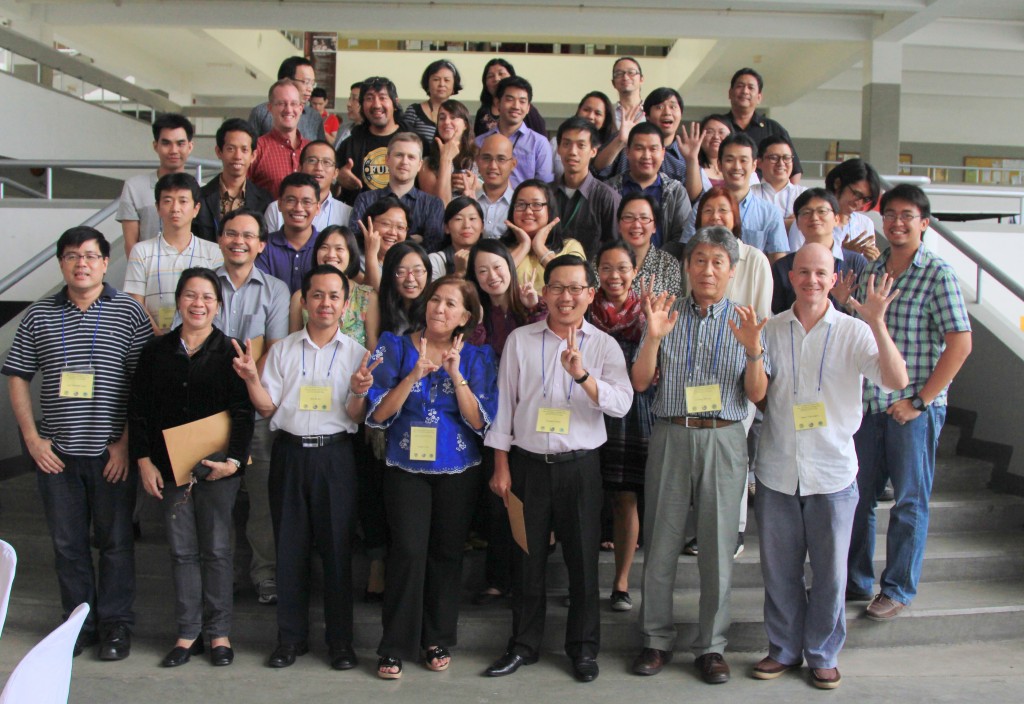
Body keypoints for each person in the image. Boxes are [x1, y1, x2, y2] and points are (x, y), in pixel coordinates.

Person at [746, 243, 908, 690]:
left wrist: (876, 321)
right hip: (778, 470)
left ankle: (822, 652)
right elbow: (757, 395)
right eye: (803, 272)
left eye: (821, 273)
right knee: (779, 571)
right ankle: (782, 648)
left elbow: (897, 380)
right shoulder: (771, 329)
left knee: (831, 573)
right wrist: (753, 352)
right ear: (790, 276)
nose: (812, 281)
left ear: (834, 277)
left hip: (833, 472)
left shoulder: (855, 331)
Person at [3, 227, 152, 660]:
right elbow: (17, 377)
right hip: (57, 456)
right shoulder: (38, 315)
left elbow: (142, 385)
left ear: (106, 263)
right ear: (62, 263)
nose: (81, 263)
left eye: (90, 256)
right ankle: (78, 624)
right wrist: (32, 439)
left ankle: (116, 627)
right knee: (68, 545)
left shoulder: (128, 312)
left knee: (116, 543)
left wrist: (125, 444)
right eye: (72, 256)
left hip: (110, 455)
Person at [484, 255, 633, 683]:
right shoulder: (521, 340)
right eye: (557, 288)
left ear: (590, 294)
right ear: (545, 292)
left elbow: (621, 404)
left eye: (575, 289)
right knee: (526, 560)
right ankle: (523, 645)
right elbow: (504, 406)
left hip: (581, 468)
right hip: (528, 466)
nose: (566, 297)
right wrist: (501, 464)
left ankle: (583, 649)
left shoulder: (603, 346)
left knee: (583, 562)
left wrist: (582, 375)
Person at [629, 226, 767, 685]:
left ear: (731, 270)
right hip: (672, 433)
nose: (707, 269)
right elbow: (640, 383)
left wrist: (752, 351)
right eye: (699, 260)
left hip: (725, 439)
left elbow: (757, 394)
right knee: (662, 541)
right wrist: (651, 338)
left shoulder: (746, 321)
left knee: (717, 547)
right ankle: (655, 639)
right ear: (687, 267)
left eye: (717, 262)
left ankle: (711, 646)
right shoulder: (664, 314)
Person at [232, 264, 377, 671]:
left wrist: (360, 392)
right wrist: (249, 378)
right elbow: (267, 407)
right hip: (290, 456)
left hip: (335, 458)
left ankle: (341, 643)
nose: (325, 303)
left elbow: (354, 415)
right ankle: (289, 639)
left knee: (336, 552)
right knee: (290, 551)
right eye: (317, 295)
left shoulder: (357, 354)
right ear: (304, 300)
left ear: (346, 305)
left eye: (334, 296)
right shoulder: (283, 350)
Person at [844, 184, 972, 620]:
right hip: (869, 406)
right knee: (858, 498)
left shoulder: (938, 273)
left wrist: (920, 400)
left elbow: (960, 344)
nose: (897, 222)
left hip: (914, 410)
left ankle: (897, 587)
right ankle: (856, 580)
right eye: (891, 214)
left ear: (924, 223)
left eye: (907, 215)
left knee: (909, 501)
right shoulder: (872, 270)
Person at [367, 276, 498, 679]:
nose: (440, 309)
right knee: (407, 552)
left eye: (451, 304)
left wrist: (455, 374)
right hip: (405, 467)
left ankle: (435, 638)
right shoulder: (394, 345)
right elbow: (379, 414)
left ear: (466, 316)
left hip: (458, 469)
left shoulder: (478, 356)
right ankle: (393, 645)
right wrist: (413, 376)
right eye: (435, 300)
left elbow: (480, 421)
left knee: (446, 555)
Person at [129, 267, 254, 668]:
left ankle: (219, 633)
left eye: (207, 298)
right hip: (169, 469)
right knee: (182, 551)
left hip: (216, 470)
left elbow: (243, 412)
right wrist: (144, 459)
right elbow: (141, 410)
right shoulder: (155, 351)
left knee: (217, 550)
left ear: (218, 305)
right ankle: (187, 633)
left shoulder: (231, 349)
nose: (198, 304)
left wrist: (232, 462)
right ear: (178, 301)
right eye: (190, 296)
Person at [210, 208, 290, 606]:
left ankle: (265, 575)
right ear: (220, 239)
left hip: (257, 412)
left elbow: (273, 351)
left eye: (247, 235)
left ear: (261, 244)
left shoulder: (275, 290)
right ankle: (217, 577)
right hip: (207, 413)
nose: (238, 241)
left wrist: (248, 387)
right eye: (230, 233)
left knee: (261, 500)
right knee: (214, 499)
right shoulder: (203, 284)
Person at [465, 239, 542, 606]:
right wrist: (477, 325)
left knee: (527, 497)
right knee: (496, 497)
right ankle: (497, 577)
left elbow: (549, 347)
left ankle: (526, 578)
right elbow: (470, 357)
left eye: (497, 267)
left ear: (510, 267)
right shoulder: (474, 312)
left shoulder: (529, 306)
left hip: (529, 416)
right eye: (482, 270)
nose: (492, 276)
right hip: (486, 416)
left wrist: (533, 309)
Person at [590, 242, 660, 613]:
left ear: (634, 272)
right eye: (606, 267)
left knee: (626, 497)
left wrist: (652, 330)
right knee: (585, 497)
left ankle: (621, 582)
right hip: (586, 408)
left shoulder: (647, 312)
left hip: (633, 412)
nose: (614, 276)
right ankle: (583, 578)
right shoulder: (585, 308)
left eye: (622, 268)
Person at [123, 173, 223, 335]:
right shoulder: (142, 251)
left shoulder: (214, 252)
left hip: (203, 346)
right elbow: (136, 304)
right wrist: (161, 341)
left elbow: (218, 303)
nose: (175, 208)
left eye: (183, 201)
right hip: (154, 344)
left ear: (196, 209)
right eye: (168, 201)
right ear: (158, 207)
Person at [683, 133, 789, 263]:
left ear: (754, 166)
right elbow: (686, 254)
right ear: (719, 165)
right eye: (729, 160)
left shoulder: (770, 213)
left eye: (743, 160)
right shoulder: (703, 208)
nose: (737, 167)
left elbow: (778, 263)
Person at [772, 188, 868, 314]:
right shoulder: (783, 267)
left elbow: (867, 316)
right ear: (798, 224)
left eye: (822, 211)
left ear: (837, 219)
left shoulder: (856, 263)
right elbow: (777, 314)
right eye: (806, 212)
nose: (814, 217)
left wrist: (846, 301)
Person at [288, 225, 380, 352]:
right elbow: (293, 345)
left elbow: (374, 347)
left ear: (351, 254)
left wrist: (369, 370)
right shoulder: (300, 297)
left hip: (357, 370)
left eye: (339, 249)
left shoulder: (367, 297)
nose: (331, 254)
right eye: (324, 248)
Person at [350, 133, 445, 252]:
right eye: (399, 155)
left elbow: (433, 247)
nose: (404, 161)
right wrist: (413, 240)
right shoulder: (365, 199)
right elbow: (355, 240)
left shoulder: (433, 204)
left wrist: (380, 239)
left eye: (411, 157)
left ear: (419, 165)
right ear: (387, 160)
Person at [604, 122, 692, 248]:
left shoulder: (676, 191)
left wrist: (655, 263)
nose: (646, 156)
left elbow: (681, 238)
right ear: (627, 152)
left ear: (663, 153)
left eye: (653, 149)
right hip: (618, 265)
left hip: (664, 266)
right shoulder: (609, 189)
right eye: (639, 148)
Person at [117, 112, 194, 255]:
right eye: (166, 143)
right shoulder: (134, 187)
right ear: (155, 146)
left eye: (180, 143)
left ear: (190, 147)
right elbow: (131, 245)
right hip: (148, 272)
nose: (173, 150)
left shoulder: (201, 188)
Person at [551, 117, 621, 258]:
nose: (573, 152)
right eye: (566, 144)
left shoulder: (608, 198)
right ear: (558, 149)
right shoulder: (546, 194)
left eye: (581, 145)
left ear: (594, 151)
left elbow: (616, 249)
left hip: (591, 277)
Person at [195, 119, 273, 242]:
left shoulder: (265, 200)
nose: (237, 156)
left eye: (244, 150)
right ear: (219, 152)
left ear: (253, 156)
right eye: (230, 149)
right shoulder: (200, 197)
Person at [790, 158, 882, 260]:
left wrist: (873, 261)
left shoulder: (865, 223)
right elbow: (795, 261)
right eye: (856, 194)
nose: (859, 202)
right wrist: (844, 254)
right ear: (837, 183)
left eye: (866, 199)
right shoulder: (808, 220)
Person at [501, 179, 584, 292]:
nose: (528, 211)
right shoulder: (499, 248)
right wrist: (524, 246)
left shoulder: (570, 246)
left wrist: (539, 247)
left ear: (549, 210)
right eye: (521, 204)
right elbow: (494, 280)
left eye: (537, 204)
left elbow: (573, 286)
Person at [725, 68, 803, 182]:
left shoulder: (774, 129)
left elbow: (794, 171)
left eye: (751, 87)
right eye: (740, 86)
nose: (745, 91)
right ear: (730, 93)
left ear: (759, 97)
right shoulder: (718, 127)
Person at [474, 76, 553, 188]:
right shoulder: (480, 142)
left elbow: (544, 187)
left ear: (528, 108)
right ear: (497, 103)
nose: (516, 106)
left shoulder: (539, 143)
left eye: (522, 101)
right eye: (510, 99)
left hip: (525, 204)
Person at [335, 77, 404, 204]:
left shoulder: (414, 141)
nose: (376, 105)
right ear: (362, 106)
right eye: (369, 98)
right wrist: (338, 178)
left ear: (395, 103)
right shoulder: (349, 144)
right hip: (359, 218)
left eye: (382, 98)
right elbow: (330, 190)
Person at [602, 87, 688, 183]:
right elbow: (597, 171)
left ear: (681, 113)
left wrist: (692, 161)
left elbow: (695, 196)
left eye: (673, 107)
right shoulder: (626, 142)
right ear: (647, 116)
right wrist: (619, 141)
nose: (667, 112)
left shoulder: (685, 157)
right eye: (659, 107)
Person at [264, 140, 353, 232]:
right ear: (300, 168)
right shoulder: (276, 209)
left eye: (326, 162)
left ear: (335, 173)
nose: (319, 168)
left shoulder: (347, 214)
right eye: (312, 160)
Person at [255, 172, 321, 294]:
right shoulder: (263, 247)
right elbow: (261, 294)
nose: (298, 208)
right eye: (291, 200)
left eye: (306, 202)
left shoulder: (326, 245)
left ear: (317, 207)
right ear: (279, 204)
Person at [248, 79, 311, 197]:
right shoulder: (256, 149)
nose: (288, 109)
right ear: (270, 108)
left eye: (293, 104)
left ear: (301, 108)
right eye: (281, 103)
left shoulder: (311, 150)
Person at [248, 56, 326, 143]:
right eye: (306, 82)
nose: (310, 88)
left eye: (312, 83)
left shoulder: (314, 117)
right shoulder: (261, 113)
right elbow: (250, 149)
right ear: (286, 80)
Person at [418, 99, 478, 205]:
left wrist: (475, 184)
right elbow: (438, 205)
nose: (446, 122)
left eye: (453, 117)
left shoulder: (479, 155)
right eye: (442, 118)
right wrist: (445, 159)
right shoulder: (427, 162)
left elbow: (497, 188)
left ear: (465, 125)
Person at [474, 58, 546, 138]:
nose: (496, 79)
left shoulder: (524, 110)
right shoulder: (483, 112)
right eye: (490, 76)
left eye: (501, 74)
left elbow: (541, 137)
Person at [551, 91, 616, 179]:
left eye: (598, 113)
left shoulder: (612, 146)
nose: (590, 116)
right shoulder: (556, 142)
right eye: (586, 110)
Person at [403, 59, 462, 146]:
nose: (441, 84)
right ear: (427, 83)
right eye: (436, 79)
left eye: (447, 80)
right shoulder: (414, 111)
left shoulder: (460, 113)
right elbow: (403, 141)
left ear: (454, 85)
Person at [358, 196, 412, 292]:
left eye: (400, 227)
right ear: (369, 223)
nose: (393, 232)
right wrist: (371, 254)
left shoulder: (408, 262)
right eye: (386, 224)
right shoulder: (354, 259)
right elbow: (373, 294)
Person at [751, 135, 806, 229]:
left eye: (786, 158)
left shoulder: (804, 195)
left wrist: (764, 223)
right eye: (774, 158)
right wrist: (790, 223)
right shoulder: (749, 194)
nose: (781, 163)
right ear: (759, 162)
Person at [428, 196, 484, 280]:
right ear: (446, 228)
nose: (466, 225)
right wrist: (459, 272)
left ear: (482, 227)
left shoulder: (491, 257)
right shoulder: (435, 260)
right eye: (458, 219)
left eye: (472, 218)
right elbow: (433, 292)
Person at [475, 133, 517, 239]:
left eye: (501, 159)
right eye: (486, 158)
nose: (493, 166)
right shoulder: (468, 201)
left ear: (513, 164)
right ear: (478, 162)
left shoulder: (520, 206)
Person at [697, 114, 732, 188]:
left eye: (721, 132)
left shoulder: (742, 167)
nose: (716, 137)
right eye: (710, 132)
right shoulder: (692, 168)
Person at [334, 82, 363, 147]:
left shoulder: (373, 134)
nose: (348, 104)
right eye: (349, 99)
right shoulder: (343, 129)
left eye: (354, 99)